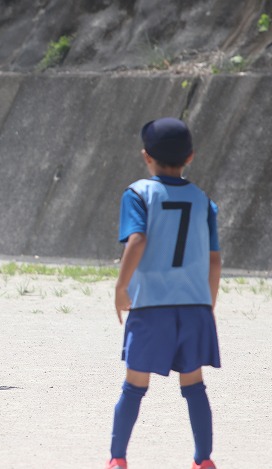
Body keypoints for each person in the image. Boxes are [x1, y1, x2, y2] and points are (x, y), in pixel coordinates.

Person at [106, 118, 221, 469]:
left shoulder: (138, 193)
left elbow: (137, 240)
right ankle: (203, 460)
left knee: (134, 386)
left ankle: (118, 459)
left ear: (146, 156)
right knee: (195, 387)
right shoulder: (204, 201)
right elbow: (214, 262)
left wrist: (121, 287)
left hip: (151, 306)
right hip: (195, 306)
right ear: (190, 156)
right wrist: (207, 306)